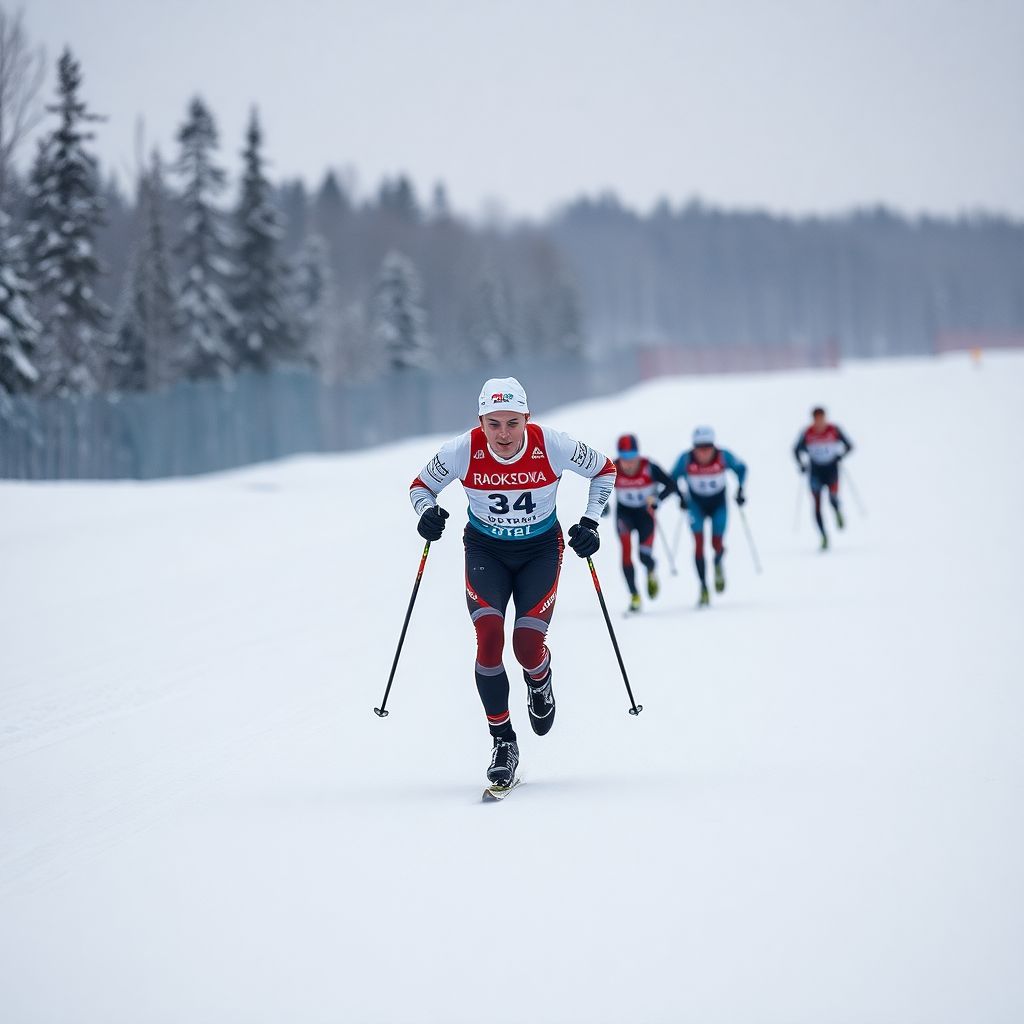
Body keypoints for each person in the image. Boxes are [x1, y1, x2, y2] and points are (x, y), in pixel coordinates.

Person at [409, 377, 616, 788]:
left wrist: (591, 521)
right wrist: (426, 513)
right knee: (488, 639)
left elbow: (605, 470)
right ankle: (503, 741)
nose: (503, 435)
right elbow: (421, 487)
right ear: (480, 421)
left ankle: (539, 679)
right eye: (493, 424)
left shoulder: (553, 444)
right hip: (487, 552)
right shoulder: (461, 450)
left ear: (527, 418)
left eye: (512, 423)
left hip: (540, 551)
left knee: (525, 645)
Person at [671, 426, 747, 607]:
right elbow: (671, 478)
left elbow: (742, 469)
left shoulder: (723, 456)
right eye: (699, 447)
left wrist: (740, 489)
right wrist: (680, 496)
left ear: (714, 446)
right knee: (698, 544)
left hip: (718, 504)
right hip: (696, 505)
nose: (703, 451)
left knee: (716, 543)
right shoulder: (686, 459)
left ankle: (718, 561)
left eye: (707, 446)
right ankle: (704, 586)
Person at [610, 433, 679, 612]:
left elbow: (672, 485)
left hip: (645, 515)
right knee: (626, 552)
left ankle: (650, 570)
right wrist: (603, 507)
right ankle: (634, 595)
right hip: (625, 514)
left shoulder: (650, 467)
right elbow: (600, 487)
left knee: (644, 556)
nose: (629, 463)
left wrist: (658, 499)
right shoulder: (613, 468)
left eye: (632, 457)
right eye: (624, 458)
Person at [793, 406, 853, 549]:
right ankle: (823, 536)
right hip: (815, 471)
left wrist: (840, 456)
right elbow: (796, 450)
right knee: (817, 505)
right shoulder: (807, 433)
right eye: (816, 419)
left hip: (831, 469)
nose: (819, 422)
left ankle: (837, 510)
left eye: (822, 418)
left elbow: (849, 445)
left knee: (833, 497)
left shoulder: (834, 430)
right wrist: (801, 464)